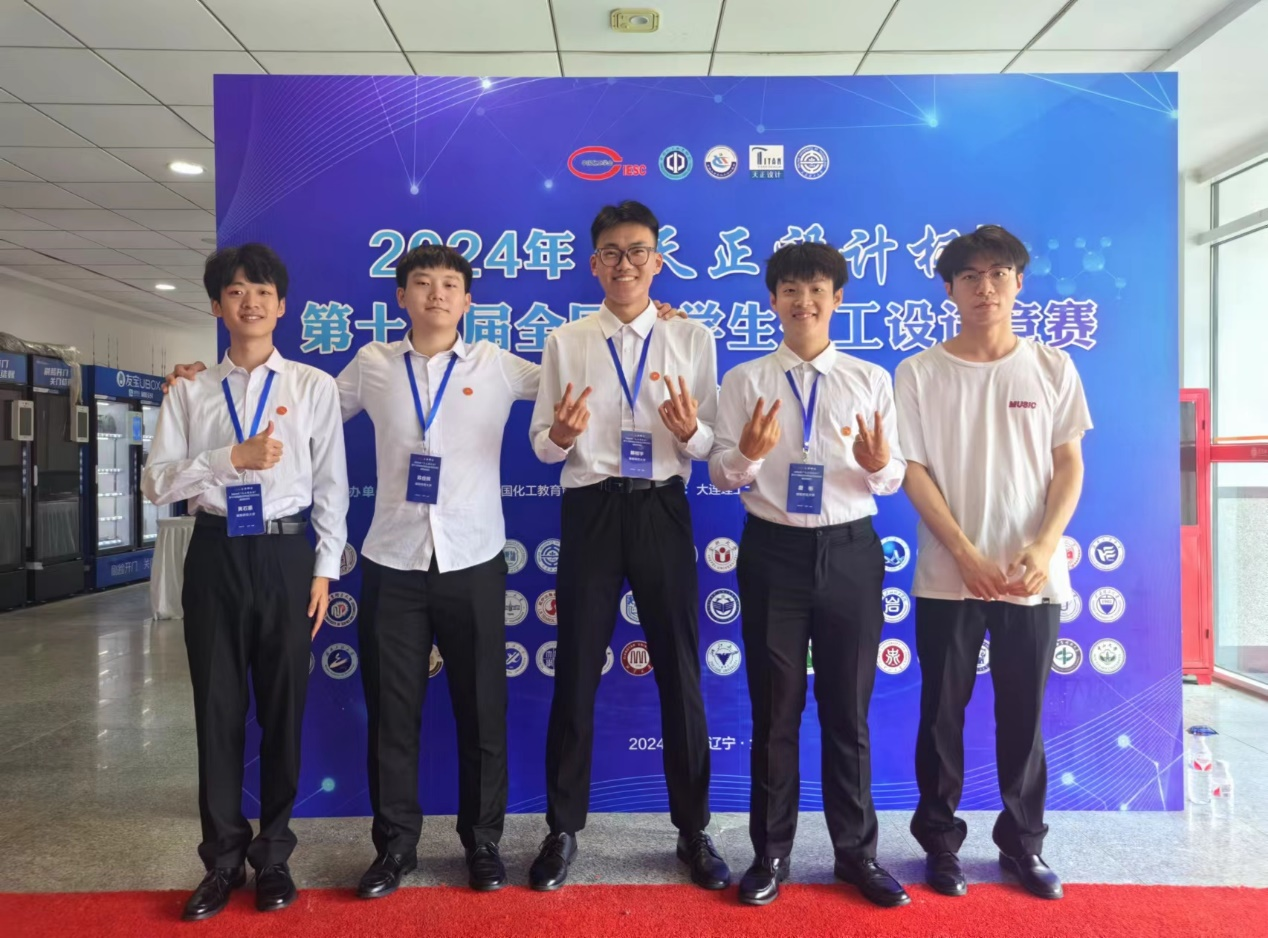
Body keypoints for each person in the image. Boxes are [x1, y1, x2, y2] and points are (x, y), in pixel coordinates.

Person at [165, 245, 686, 899]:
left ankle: (483, 843)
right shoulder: (370, 365)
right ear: (401, 297)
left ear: (468, 300)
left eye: (449, 284)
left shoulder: (499, 364)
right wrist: (204, 381)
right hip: (393, 560)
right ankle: (395, 848)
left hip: (474, 559)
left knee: (482, 712)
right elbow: (301, 411)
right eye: (422, 283)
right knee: (392, 715)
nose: (436, 294)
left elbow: (587, 375)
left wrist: (648, 325)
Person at [527, 200, 730, 892]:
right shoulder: (566, 341)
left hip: (661, 507)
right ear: (594, 264)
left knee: (680, 670)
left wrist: (689, 431)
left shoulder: (691, 338)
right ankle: (561, 829)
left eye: (637, 251)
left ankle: (693, 830)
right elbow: (542, 447)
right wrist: (560, 435)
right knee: (576, 669)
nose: (625, 263)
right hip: (591, 508)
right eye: (611, 252)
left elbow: (712, 446)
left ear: (657, 260)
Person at [142, 244, 349, 921]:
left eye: (262, 291)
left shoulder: (312, 386)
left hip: (287, 556)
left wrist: (324, 570)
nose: (250, 302)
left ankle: (275, 856)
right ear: (217, 306)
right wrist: (227, 458)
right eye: (235, 291)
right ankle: (222, 859)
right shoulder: (190, 390)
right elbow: (155, 484)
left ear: (282, 305)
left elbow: (332, 486)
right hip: (215, 553)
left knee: (284, 708)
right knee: (217, 708)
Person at [708, 241, 910, 908]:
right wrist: (748, 455)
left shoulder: (869, 378)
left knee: (848, 712)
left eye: (817, 289)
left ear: (837, 299)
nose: (804, 301)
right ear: (773, 300)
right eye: (791, 290)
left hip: (850, 551)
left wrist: (878, 464)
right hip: (774, 553)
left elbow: (892, 477)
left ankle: (857, 855)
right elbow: (721, 474)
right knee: (776, 711)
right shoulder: (744, 381)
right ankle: (770, 854)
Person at [895, 225, 1091, 901]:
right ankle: (940, 844)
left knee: (1023, 715)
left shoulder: (1052, 367)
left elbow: (1069, 465)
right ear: (949, 290)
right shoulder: (919, 372)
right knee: (940, 716)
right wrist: (965, 553)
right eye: (970, 277)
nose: (986, 288)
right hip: (949, 577)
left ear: (1018, 283)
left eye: (998, 274)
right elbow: (912, 470)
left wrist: (1044, 544)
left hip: (1032, 576)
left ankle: (1023, 844)